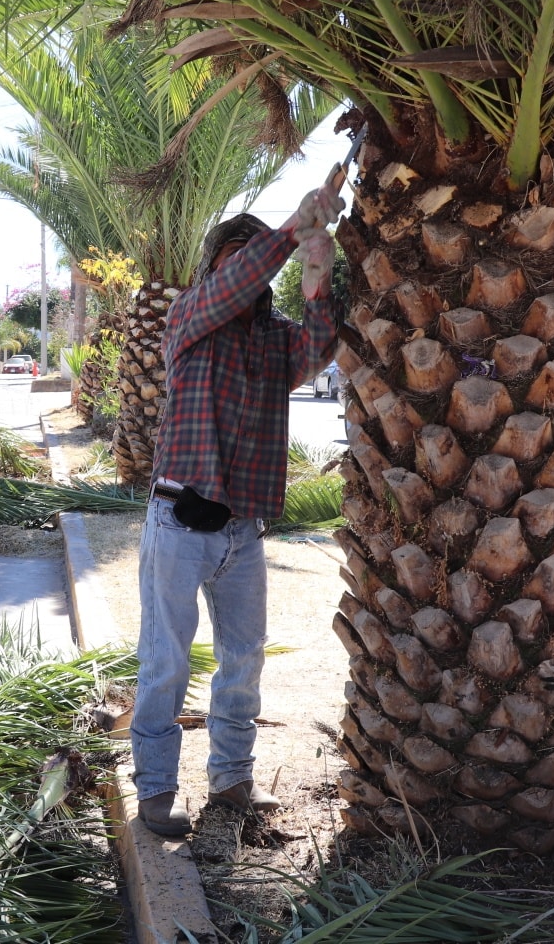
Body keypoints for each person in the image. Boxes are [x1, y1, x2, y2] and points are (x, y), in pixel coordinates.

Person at [132, 185, 343, 838]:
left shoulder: (275, 341)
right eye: (233, 257)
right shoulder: (192, 317)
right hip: (178, 522)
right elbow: (235, 285)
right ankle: (158, 791)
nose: (242, 271)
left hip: (241, 532)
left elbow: (318, 347)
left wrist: (317, 275)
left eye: (250, 261)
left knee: (243, 662)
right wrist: (287, 231)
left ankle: (231, 782)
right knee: (166, 663)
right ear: (215, 267)